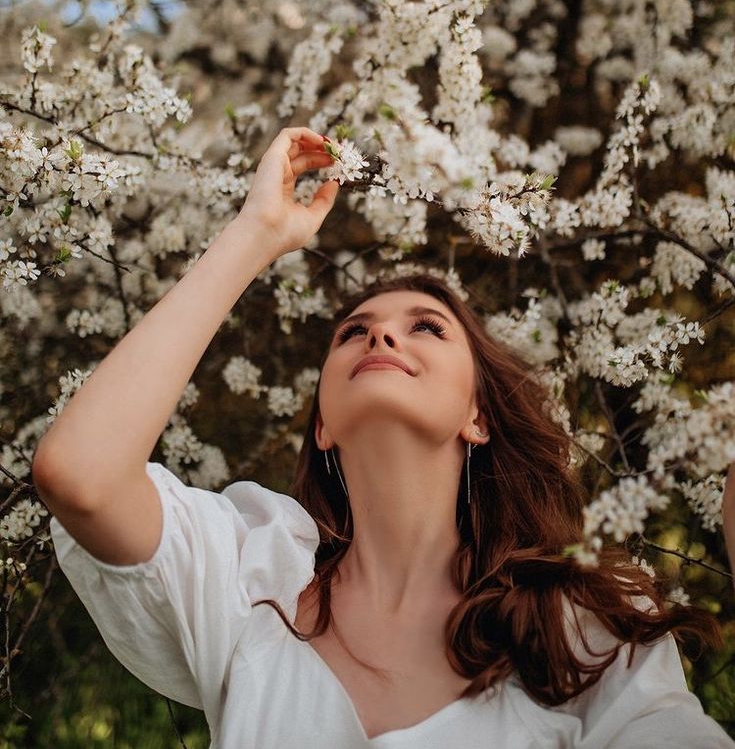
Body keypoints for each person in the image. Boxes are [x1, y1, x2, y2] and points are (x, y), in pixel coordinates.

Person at [33, 127, 734, 748]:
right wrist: (257, 232)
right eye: (351, 333)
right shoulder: (253, 577)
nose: (380, 332)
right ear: (324, 425)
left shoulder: (582, 630)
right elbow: (80, 476)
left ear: (478, 416)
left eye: (426, 327)